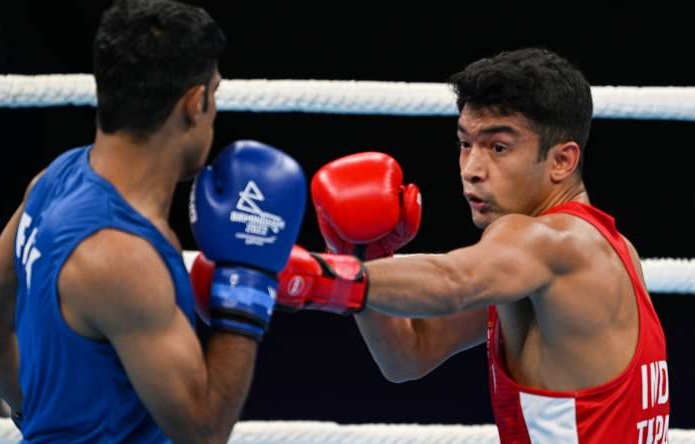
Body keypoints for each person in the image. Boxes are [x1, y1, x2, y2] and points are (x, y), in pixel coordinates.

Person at [267, 48, 671, 443]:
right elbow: (409, 354)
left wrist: (317, 278)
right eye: (465, 143)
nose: (471, 170)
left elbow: (454, 278)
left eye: (498, 147)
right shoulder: (580, 257)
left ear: (562, 161)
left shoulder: (559, 243)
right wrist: (363, 257)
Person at [0, 0, 306, 443]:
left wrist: (34, 407)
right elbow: (202, 430)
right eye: (214, 93)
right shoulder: (120, 257)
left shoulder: (51, 182)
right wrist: (247, 284)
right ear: (195, 103)